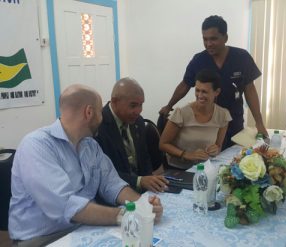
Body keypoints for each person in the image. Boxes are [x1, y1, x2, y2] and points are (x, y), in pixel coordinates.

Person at [9, 84, 163, 246]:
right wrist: (126, 214)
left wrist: (142, 206)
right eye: (100, 112)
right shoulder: (37, 146)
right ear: (89, 112)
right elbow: (66, 206)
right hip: (44, 238)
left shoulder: (90, 146)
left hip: (84, 229)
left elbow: (113, 185)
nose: (103, 117)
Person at [159, 15, 268, 149]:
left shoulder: (242, 57)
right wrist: (169, 105)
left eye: (213, 39)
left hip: (234, 122)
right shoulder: (199, 60)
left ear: (225, 38)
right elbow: (185, 84)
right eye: (205, 39)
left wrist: (259, 123)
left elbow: (249, 89)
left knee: (234, 161)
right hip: (208, 127)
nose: (208, 44)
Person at [95, 77, 169, 193]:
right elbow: (102, 172)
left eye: (141, 105)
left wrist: (152, 182)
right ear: (115, 102)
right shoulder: (98, 125)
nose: (139, 111)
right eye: (133, 105)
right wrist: (139, 181)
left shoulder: (138, 121)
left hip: (142, 191)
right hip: (114, 193)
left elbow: (144, 159)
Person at [159, 69, 232, 170]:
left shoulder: (223, 115)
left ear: (217, 92)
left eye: (204, 92)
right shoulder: (181, 113)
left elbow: (218, 146)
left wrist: (216, 149)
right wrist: (186, 154)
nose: (200, 95)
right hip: (180, 168)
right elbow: (163, 144)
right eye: (197, 90)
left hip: (206, 167)